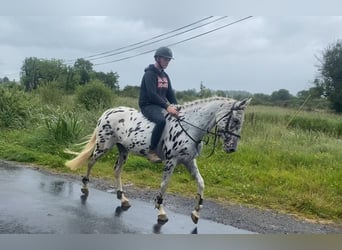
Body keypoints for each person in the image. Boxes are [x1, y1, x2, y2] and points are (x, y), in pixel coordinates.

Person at [139, 46, 179, 163]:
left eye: (169, 60)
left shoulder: (165, 76)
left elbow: (170, 94)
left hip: (160, 105)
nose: (167, 62)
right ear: (157, 59)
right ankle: (152, 151)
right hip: (148, 105)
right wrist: (167, 107)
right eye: (165, 59)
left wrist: (177, 107)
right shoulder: (149, 74)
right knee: (161, 121)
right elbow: (152, 94)